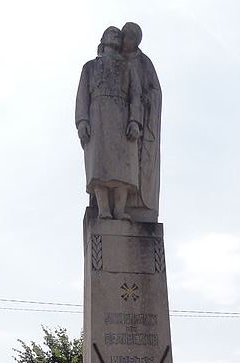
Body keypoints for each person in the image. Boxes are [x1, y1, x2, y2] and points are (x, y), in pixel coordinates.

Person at [75, 26, 143, 220]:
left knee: (123, 167)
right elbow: (82, 98)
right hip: (98, 118)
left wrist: (135, 121)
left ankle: (120, 210)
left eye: (117, 33)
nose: (114, 34)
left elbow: (135, 96)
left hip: (122, 118)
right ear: (103, 40)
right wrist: (82, 121)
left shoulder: (127, 67)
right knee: (99, 164)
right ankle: (104, 210)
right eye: (110, 32)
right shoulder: (89, 67)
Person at [120, 22, 161, 218]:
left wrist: (145, 101)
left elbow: (156, 91)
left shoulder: (144, 63)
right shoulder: (115, 61)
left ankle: (137, 202)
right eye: (124, 36)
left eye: (130, 37)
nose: (126, 41)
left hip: (141, 122)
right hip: (119, 122)